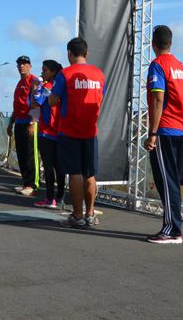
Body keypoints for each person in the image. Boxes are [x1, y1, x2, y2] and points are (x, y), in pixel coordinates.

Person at [49, 37, 105, 229]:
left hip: (70, 130)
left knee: (74, 173)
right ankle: (90, 214)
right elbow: (100, 100)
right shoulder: (99, 74)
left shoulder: (65, 74)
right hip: (91, 130)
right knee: (90, 174)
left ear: (69, 54)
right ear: (87, 53)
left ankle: (77, 215)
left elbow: (53, 100)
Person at [144, 25, 183, 244]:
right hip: (182, 127)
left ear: (153, 43)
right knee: (171, 180)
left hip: (166, 128)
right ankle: (172, 225)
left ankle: (172, 230)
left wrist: (152, 132)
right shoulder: (179, 65)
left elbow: (158, 99)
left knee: (167, 180)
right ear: (170, 43)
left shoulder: (157, 65)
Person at [29, 59, 65, 209]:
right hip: (60, 131)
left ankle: (50, 199)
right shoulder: (62, 87)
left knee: (49, 166)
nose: (42, 73)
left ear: (52, 72)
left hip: (46, 132)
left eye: (45, 70)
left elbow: (35, 102)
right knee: (60, 167)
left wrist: (36, 86)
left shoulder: (47, 87)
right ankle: (60, 197)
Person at [7, 55, 38, 196]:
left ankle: (33, 184)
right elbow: (17, 106)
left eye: (25, 64)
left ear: (30, 66)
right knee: (21, 154)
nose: (22, 66)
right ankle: (25, 182)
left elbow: (37, 104)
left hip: (29, 122)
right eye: (19, 64)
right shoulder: (19, 83)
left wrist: (32, 123)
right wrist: (10, 123)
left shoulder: (34, 81)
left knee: (30, 154)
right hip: (19, 122)